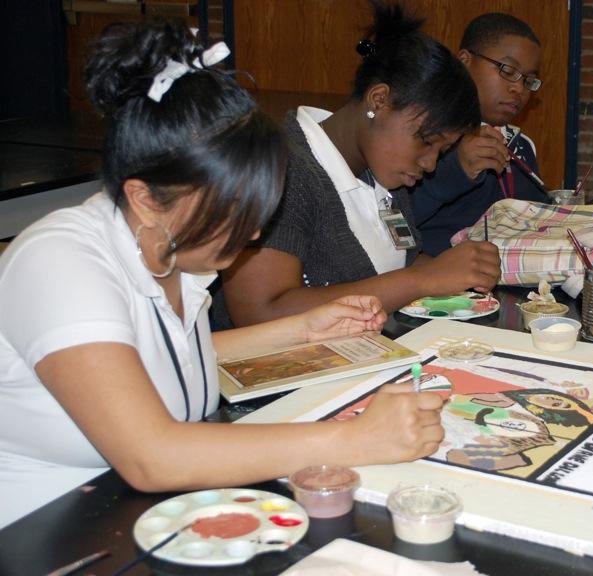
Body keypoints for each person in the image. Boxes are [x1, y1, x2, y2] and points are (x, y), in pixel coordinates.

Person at [0, 19, 444, 529]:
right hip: (40, 533)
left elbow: (162, 359)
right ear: (145, 197)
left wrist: (300, 331)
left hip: (130, 518)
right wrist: (357, 439)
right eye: (236, 213)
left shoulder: (168, 250)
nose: (253, 234)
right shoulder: (59, 264)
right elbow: (152, 456)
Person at [212, 2, 501, 328]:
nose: (431, 163)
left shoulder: (384, 173)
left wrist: (457, 270)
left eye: (442, 150)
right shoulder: (285, 171)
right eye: (426, 140)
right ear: (379, 100)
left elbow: (400, 261)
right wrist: (422, 280)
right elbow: (259, 313)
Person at [412, 13, 546, 257]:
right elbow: (391, 220)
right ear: (464, 61)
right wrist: (457, 168)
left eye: (529, 80)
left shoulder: (522, 146)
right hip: (435, 280)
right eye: (507, 70)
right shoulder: (426, 135)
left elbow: (534, 221)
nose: (518, 88)